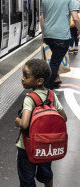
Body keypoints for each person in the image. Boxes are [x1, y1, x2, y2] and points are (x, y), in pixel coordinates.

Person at [15, 59, 67, 187]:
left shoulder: (30, 98)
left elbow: (24, 124)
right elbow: (63, 118)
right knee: (46, 172)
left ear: (39, 81)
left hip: (27, 147)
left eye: (26, 76)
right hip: (46, 146)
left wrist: (18, 121)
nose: (22, 79)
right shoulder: (51, 95)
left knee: (27, 176)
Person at [40, 0, 80, 89]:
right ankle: (45, 88)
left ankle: (56, 78)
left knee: (54, 59)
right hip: (61, 36)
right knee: (55, 62)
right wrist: (79, 30)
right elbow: (75, 17)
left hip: (49, 35)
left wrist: (43, 33)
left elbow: (42, 18)